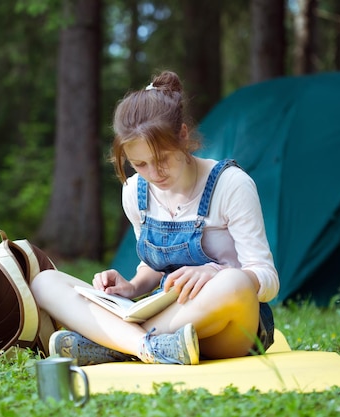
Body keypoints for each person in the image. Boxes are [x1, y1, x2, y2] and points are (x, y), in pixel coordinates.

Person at [31, 70, 279, 365]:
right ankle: (148, 346)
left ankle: (115, 343)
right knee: (44, 282)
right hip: (168, 320)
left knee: (234, 283)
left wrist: (215, 272)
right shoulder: (135, 191)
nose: (153, 173)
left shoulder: (231, 184)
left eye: (161, 159)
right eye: (140, 164)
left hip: (228, 325)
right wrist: (132, 287)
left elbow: (267, 277)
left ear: (183, 136)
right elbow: (153, 268)